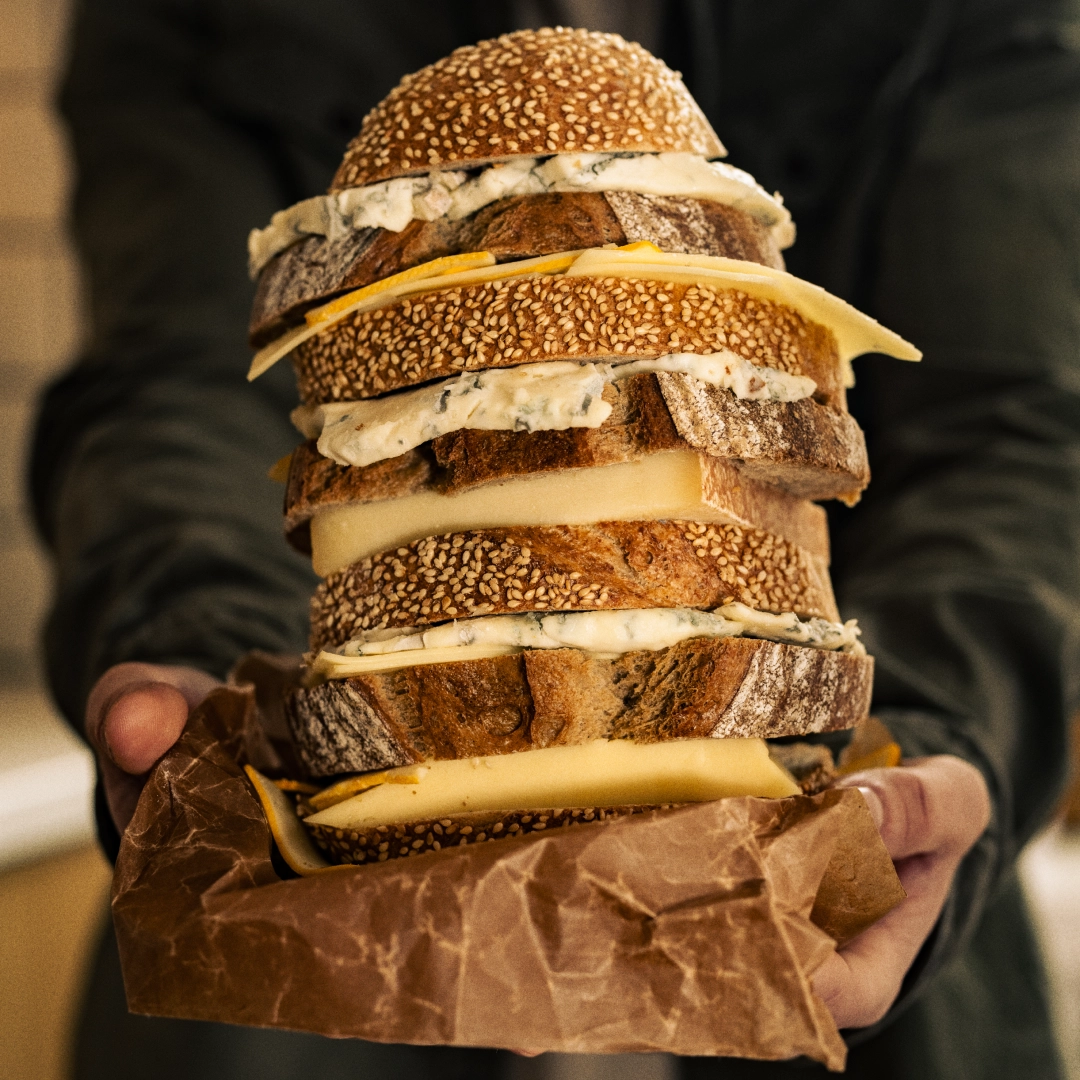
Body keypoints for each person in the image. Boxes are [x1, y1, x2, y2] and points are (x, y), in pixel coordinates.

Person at [31, 2, 1078, 1077]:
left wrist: (937, 727)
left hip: (864, 935)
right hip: (313, 976)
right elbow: (168, 382)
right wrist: (213, 646)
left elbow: (1010, 426)